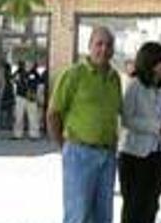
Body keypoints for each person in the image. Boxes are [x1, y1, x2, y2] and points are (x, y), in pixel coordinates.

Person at [48, 27, 122, 223]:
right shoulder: (74, 74)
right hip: (79, 153)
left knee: (103, 216)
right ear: (89, 46)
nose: (104, 49)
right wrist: (64, 147)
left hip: (107, 156)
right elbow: (53, 114)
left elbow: (114, 116)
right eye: (99, 44)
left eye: (108, 45)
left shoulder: (114, 78)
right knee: (78, 215)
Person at [119, 42, 161, 223]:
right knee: (134, 207)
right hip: (136, 155)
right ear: (152, 62)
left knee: (152, 205)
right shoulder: (134, 86)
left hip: (159, 155)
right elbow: (127, 119)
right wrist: (156, 126)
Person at [13, 60, 43, 140]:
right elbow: (13, 81)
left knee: (33, 116)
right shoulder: (19, 72)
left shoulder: (35, 73)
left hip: (31, 97)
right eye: (27, 63)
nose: (29, 65)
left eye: (31, 63)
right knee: (19, 116)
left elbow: (40, 85)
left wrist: (39, 96)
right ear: (24, 64)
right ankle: (17, 134)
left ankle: (34, 135)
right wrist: (16, 80)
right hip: (20, 96)